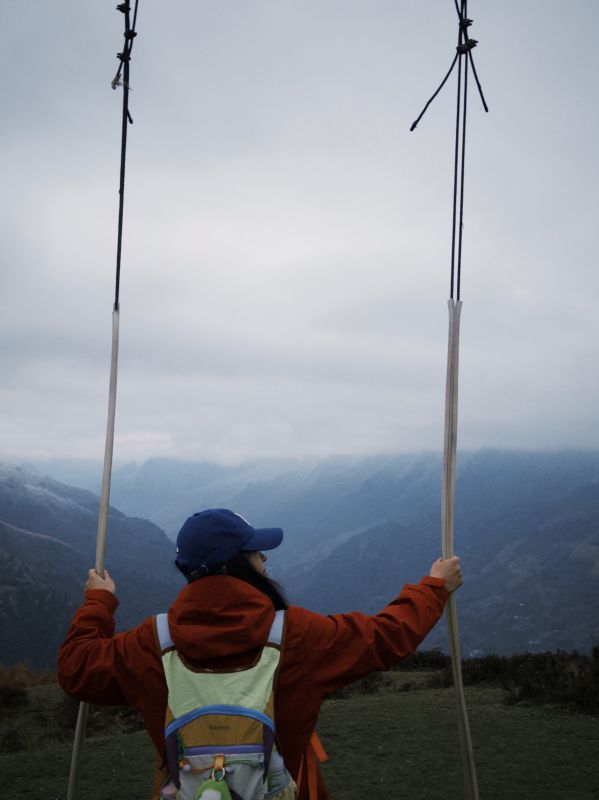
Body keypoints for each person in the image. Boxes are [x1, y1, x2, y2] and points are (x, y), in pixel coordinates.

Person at [58, 508, 463, 800]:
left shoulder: (151, 643)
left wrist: (98, 603)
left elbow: (76, 668)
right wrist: (433, 588)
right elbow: (385, 636)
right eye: (255, 552)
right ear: (237, 565)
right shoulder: (296, 635)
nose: (264, 558)